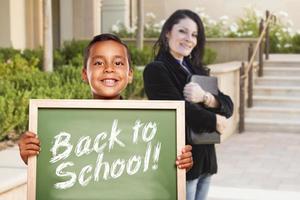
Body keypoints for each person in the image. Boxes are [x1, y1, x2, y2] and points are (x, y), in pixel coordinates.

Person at [18, 33, 193, 171]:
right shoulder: (64, 125)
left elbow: (161, 169)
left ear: (130, 74)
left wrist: (181, 163)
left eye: (118, 63)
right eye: (99, 62)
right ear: (85, 74)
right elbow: (53, 169)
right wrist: (32, 156)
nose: (109, 68)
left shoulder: (152, 125)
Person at [143, 9, 233, 200]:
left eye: (194, 35)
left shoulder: (197, 69)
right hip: (184, 161)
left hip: (206, 160)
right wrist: (214, 120)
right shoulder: (156, 70)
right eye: (182, 31)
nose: (189, 39)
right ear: (168, 32)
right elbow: (178, 109)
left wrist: (206, 97)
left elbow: (228, 105)